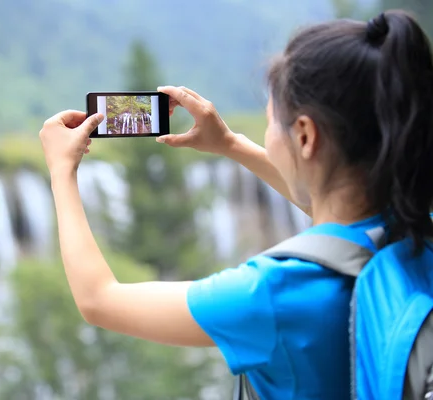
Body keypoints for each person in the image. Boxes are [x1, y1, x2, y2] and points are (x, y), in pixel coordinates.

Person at [39, 9, 433, 400]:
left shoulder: (270, 292)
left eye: (271, 121)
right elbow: (335, 211)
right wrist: (229, 143)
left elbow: (99, 301)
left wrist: (61, 171)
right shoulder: (414, 229)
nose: (268, 134)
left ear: (305, 135)